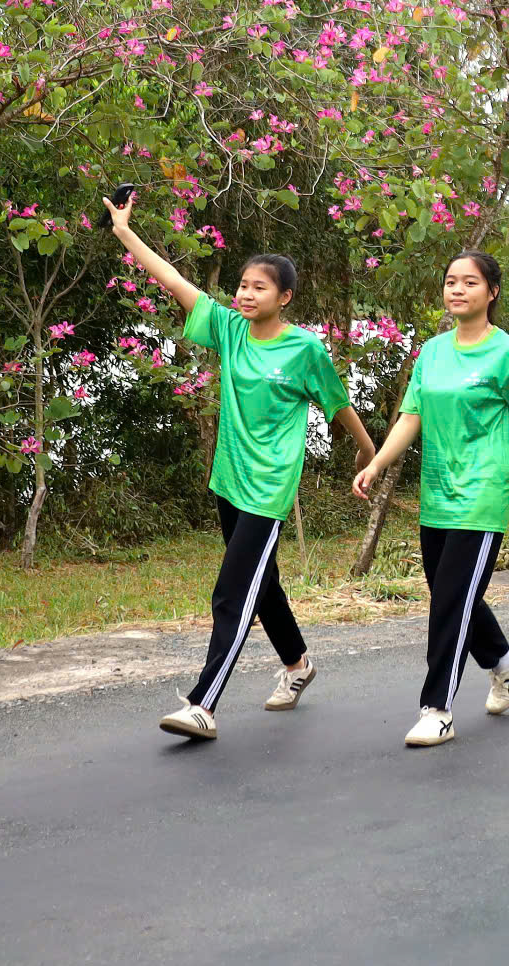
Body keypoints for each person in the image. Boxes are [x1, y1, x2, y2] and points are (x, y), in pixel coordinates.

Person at [109, 198, 368, 743]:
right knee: (262, 582)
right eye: (243, 285)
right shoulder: (228, 329)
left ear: (285, 297)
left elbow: (338, 405)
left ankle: (203, 703)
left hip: (270, 489)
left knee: (232, 593)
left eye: (259, 288)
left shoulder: (304, 350)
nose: (246, 294)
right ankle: (298, 666)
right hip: (230, 480)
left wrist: (369, 453)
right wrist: (124, 230)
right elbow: (172, 279)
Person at [356, 251, 509, 747]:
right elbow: (412, 416)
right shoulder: (433, 352)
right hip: (437, 494)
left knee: (448, 604)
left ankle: (437, 708)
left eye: (470, 282)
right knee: (453, 596)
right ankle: (505, 663)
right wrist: (378, 463)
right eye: (450, 282)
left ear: (492, 292)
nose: (457, 290)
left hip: (483, 497)